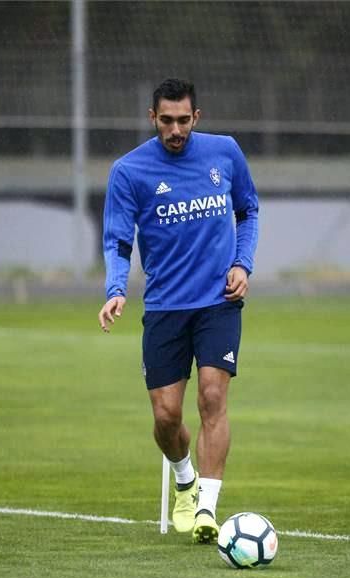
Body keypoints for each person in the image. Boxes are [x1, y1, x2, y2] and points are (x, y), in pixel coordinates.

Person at [98, 78, 259, 543]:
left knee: (212, 397)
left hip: (218, 301)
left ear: (197, 117)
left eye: (183, 120)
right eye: (166, 121)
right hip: (166, 306)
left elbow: (248, 209)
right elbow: (117, 240)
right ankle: (184, 479)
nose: (175, 129)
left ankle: (207, 509)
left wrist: (242, 264)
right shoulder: (129, 171)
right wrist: (115, 289)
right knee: (167, 417)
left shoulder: (225, 152)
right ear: (153, 118)